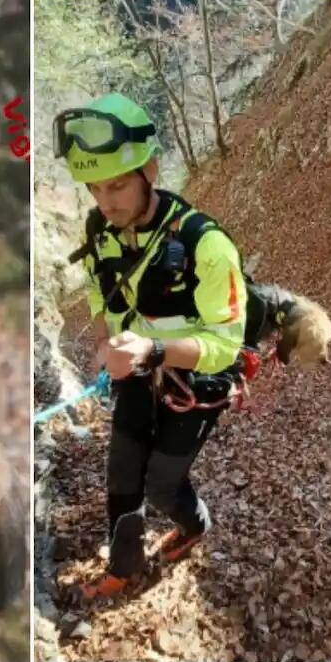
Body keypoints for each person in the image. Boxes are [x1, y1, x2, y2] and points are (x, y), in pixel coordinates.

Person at [54, 93, 247, 600]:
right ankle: (124, 568)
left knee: (162, 484)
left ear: (151, 169)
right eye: (94, 188)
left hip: (195, 379)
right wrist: (105, 342)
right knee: (122, 470)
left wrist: (152, 352)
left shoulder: (206, 244)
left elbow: (226, 345)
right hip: (136, 371)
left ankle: (193, 526)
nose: (106, 200)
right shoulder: (101, 230)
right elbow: (100, 290)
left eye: (117, 184)